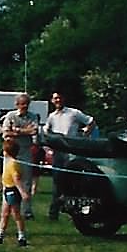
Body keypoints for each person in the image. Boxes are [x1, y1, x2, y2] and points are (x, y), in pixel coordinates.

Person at [42, 90, 94, 219]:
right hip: (58, 152)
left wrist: (85, 135)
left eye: (59, 97)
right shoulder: (52, 116)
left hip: (72, 152)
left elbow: (91, 121)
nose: (58, 100)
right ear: (52, 101)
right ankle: (53, 213)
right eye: (55, 98)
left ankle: (75, 212)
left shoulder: (74, 113)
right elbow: (46, 130)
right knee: (57, 182)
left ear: (63, 98)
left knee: (73, 182)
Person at [0, 93, 41, 217]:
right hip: (10, 152)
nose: (25, 106)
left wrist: (16, 130)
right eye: (22, 104)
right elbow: (5, 133)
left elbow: (34, 131)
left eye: (27, 104)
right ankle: (7, 207)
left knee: (26, 180)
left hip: (25, 151)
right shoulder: (10, 116)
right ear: (17, 104)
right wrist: (24, 131)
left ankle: (26, 210)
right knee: (8, 180)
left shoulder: (33, 116)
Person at [0, 135, 29, 245]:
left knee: (16, 214)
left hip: (13, 190)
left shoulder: (13, 164)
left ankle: (21, 236)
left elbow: (16, 179)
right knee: (4, 214)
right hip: (7, 189)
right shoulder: (8, 162)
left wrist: (22, 192)